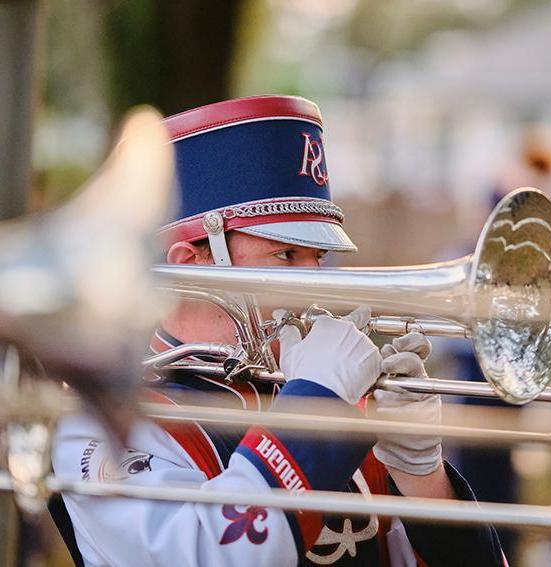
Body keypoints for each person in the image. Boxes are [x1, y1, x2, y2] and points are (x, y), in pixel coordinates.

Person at [50, 95, 505, 566]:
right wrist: (317, 403)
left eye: (318, 259)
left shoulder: (332, 396)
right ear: (192, 265)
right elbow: (206, 555)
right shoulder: (105, 419)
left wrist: (422, 479)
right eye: (286, 256)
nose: (312, 290)